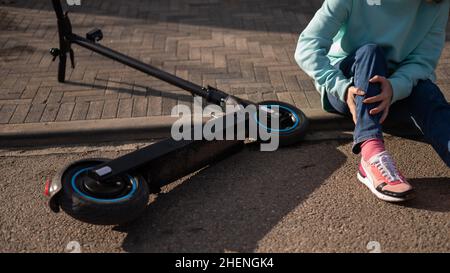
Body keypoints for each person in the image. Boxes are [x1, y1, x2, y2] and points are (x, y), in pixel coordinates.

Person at [295, 0, 450, 202]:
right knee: (370, 52)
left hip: (392, 89)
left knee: (426, 91)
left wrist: (394, 87)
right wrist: (341, 87)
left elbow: (422, 61)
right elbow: (307, 46)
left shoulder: (437, 2)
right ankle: (371, 154)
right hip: (349, 90)